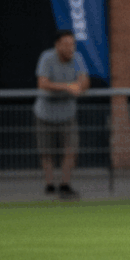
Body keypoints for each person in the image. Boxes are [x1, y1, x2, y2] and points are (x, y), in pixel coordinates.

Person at [34, 29, 89, 200]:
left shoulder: (78, 58)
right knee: (46, 151)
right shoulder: (46, 57)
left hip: (68, 114)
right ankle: (50, 184)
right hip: (45, 114)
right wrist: (68, 86)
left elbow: (84, 81)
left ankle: (65, 185)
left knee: (71, 149)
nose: (70, 48)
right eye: (66, 44)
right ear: (57, 45)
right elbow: (43, 83)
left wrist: (80, 86)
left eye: (72, 44)